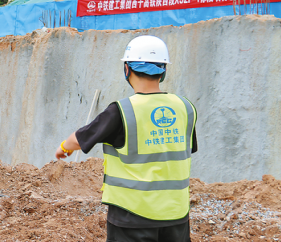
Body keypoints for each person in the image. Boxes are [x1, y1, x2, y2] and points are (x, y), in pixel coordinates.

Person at [55, 35, 197, 242]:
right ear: (163, 71)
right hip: (176, 213)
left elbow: (79, 139)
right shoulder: (185, 107)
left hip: (132, 214)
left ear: (127, 69)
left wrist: (64, 148)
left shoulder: (122, 111)